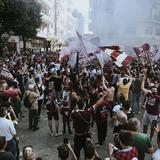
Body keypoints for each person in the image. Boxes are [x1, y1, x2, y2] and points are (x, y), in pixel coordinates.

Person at [71, 93, 110, 159]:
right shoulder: (88, 111)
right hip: (87, 135)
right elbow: (97, 104)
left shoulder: (74, 113)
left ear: (78, 105)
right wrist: (103, 96)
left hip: (78, 135)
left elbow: (72, 117)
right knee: (88, 150)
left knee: (77, 151)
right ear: (84, 105)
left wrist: (76, 107)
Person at [141, 75, 160, 139]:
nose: (154, 91)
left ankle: (150, 138)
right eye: (153, 90)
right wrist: (143, 80)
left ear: (157, 91)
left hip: (154, 115)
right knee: (144, 125)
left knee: (153, 127)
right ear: (151, 90)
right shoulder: (149, 94)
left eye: (155, 90)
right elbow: (142, 88)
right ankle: (144, 137)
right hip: (147, 112)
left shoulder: (158, 97)